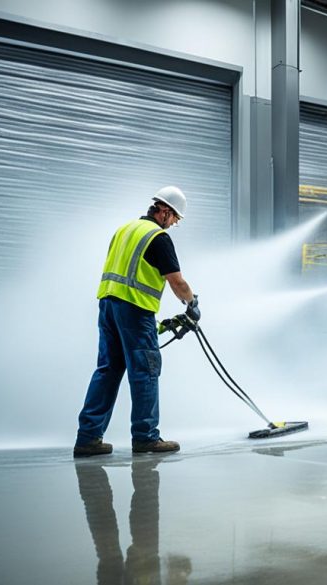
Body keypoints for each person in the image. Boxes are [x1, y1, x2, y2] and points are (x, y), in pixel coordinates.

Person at [74, 186, 200, 457]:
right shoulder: (158, 237)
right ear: (164, 211)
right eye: (175, 218)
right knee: (146, 370)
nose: (174, 223)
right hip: (135, 308)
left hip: (108, 304)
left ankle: (88, 438)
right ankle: (146, 437)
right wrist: (192, 304)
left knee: (107, 370)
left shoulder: (125, 229)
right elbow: (177, 282)